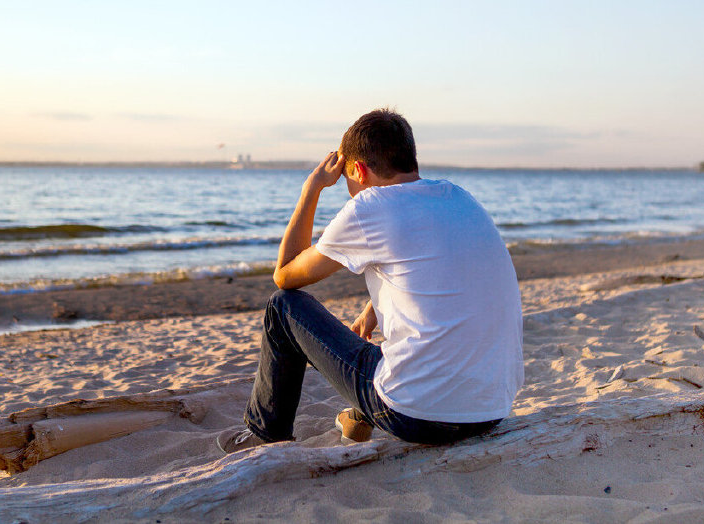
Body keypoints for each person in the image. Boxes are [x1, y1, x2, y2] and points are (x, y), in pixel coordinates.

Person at [217, 108, 524, 453]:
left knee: (283, 307)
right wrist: (371, 311)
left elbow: (286, 275)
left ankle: (264, 433)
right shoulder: (457, 197)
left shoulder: (370, 206)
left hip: (416, 416)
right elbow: (434, 266)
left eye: (348, 181)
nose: (350, 190)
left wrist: (312, 188)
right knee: (402, 349)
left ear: (359, 171)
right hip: (491, 409)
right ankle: (358, 417)